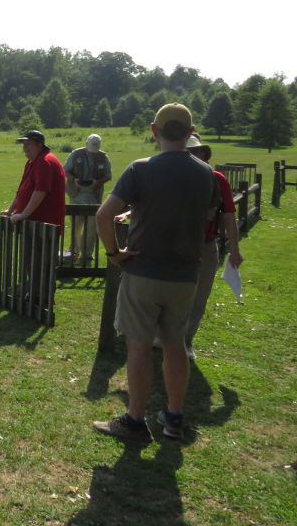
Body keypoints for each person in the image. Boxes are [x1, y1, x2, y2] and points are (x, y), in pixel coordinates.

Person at [93, 104, 218, 443]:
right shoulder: (206, 174)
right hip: (185, 275)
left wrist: (114, 254)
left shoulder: (140, 169)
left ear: (154, 129)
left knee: (138, 347)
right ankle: (174, 417)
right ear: (191, 131)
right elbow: (205, 215)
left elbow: (104, 215)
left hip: (144, 271)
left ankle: (135, 421)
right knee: (175, 345)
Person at [183, 134, 244, 359]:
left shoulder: (218, 179)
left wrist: (235, 250)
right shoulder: (171, 176)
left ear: (202, 154)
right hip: (174, 244)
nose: (193, 156)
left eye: (196, 152)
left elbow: (229, 217)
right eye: (188, 152)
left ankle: (186, 341)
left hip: (206, 245)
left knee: (199, 297)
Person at [1, 129, 66, 231]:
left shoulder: (45, 161)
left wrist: (24, 214)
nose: (24, 148)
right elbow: (22, 190)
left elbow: (40, 191)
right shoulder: (32, 162)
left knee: (42, 248)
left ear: (39, 145)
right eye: (23, 144)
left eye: (29, 144)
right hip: (33, 224)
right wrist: (10, 210)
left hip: (45, 226)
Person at [64, 134, 112, 264]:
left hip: (94, 195)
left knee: (91, 227)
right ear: (86, 143)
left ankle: (87, 255)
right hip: (76, 194)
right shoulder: (75, 154)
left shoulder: (104, 157)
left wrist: (97, 182)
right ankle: (74, 253)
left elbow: (108, 176)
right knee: (76, 225)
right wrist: (74, 179)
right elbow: (65, 171)